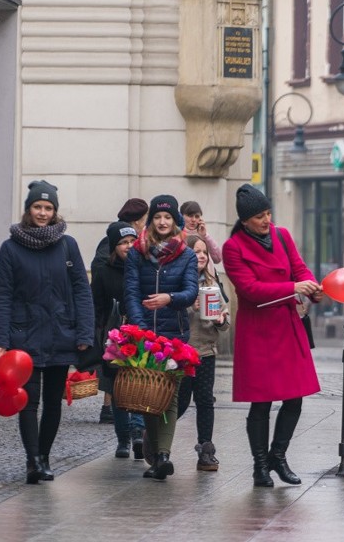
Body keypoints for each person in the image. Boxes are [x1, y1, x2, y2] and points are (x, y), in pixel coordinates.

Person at [0, 180, 95, 484]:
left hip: (60, 333)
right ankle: (33, 459)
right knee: (28, 400)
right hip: (22, 335)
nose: (42, 212)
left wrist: (84, 333)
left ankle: (44, 457)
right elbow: (2, 295)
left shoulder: (67, 244)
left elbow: (81, 290)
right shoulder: (10, 247)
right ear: (28, 209)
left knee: (53, 401)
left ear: (55, 211)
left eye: (48, 207)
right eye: (37, 206)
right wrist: (0, 339)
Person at [222, 184, 322, 488]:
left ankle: (279, 456)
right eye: (259, 216)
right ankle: (260, 466)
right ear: (245, 220)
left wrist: (311, 286)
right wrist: (292, 288)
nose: (267, 220)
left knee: (295, 397)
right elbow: (249, 289)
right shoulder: (233, 248)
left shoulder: (282, 235)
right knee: (262, 402)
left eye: (268, 213)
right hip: (258, 331)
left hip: (288, 325)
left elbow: (300, 269)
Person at [124, 194, 198, 481]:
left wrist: (170, 298)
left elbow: (191, 292)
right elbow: (131, 293)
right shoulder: (136, 253)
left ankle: (163, 456)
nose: (163, 221)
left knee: (170, 396)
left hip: (175, 335)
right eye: (158, 217)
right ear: (151, 220)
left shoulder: (187, 254)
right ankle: (156, 457)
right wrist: (142, 330)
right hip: (143, 338)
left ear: (175, 221)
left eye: (168, 217)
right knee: (149, 397)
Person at [91, 197, 148, 425]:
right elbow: (98, 285)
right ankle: (116, 417)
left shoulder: (141, 252)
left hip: (135, 324)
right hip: (114, 322)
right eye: (143, 221)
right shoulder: (110, 246)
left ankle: (134, 426)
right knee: (115, 374)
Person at [177, 235, 229, 471]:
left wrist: (220, 319)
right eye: (196, 251)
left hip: (206, 351)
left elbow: (225, 321)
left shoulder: (213, 283)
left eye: (204, 252)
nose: (201, 255)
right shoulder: (178, 281)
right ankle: (156, 438)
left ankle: (206, 451)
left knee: (205, 400)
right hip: (182, 351)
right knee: (180, 401)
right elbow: (170, 312)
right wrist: (190, 306)